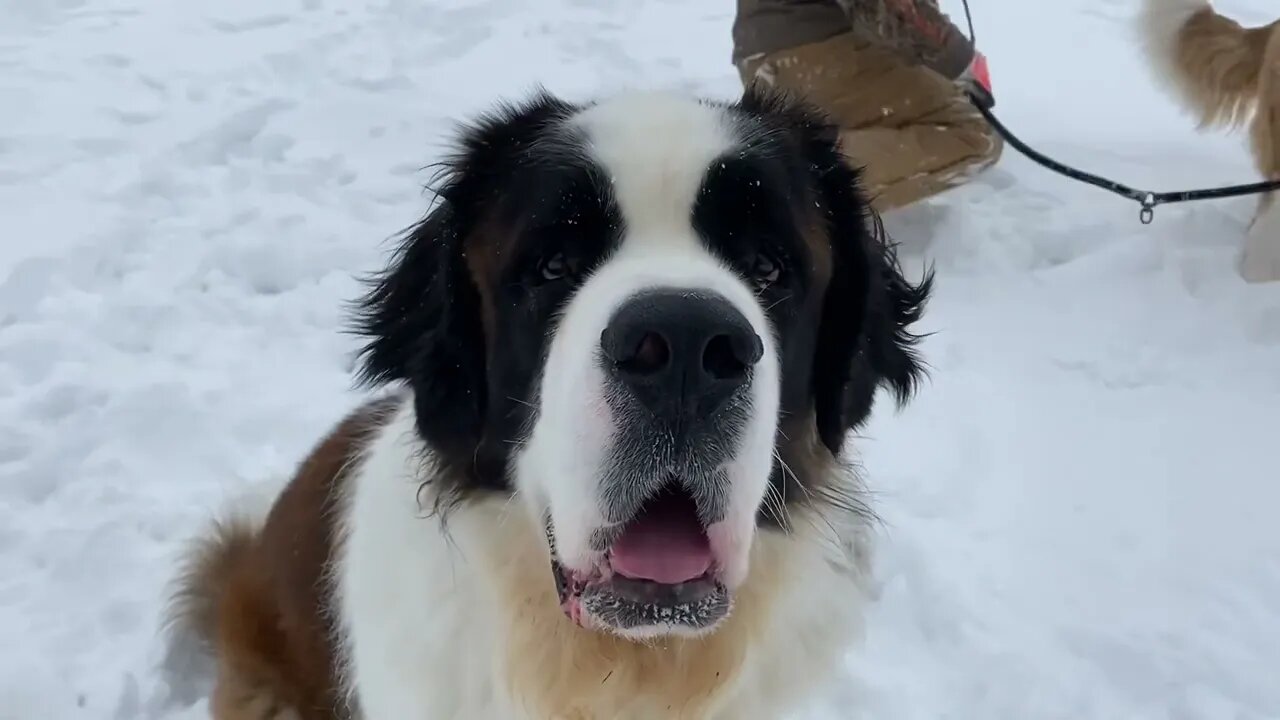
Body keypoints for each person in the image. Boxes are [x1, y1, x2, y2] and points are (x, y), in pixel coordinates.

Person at [732, 0, 1003, 212]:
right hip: (813, 55)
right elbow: (889, 8)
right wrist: (961, 60)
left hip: (773, 59)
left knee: (926, 101)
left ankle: (800, 167)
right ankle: (800, 188)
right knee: (971, 134)